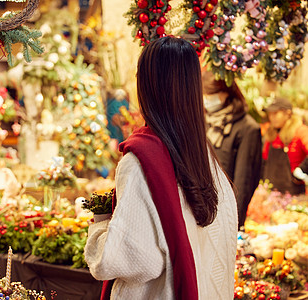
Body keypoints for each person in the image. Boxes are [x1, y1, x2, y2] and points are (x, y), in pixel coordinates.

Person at [84, 37, 238, 300]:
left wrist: (100, 225)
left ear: (145, 86)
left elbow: (124, 260)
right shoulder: (208, 159)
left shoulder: (141, 162)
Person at [202, 71, 262, 229]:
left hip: (225, 216)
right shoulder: (204, 121)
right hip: (201, 213)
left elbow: (244, 183)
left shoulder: (247, 128)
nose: (206, 100)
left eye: (211, 94)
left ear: (226, 93)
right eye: (204, 94)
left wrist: (232, 225)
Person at [262, 97, 308, 195]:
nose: (272, 117)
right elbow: (264, 159)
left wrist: (301, 171)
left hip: (296, 195)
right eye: (270, 114)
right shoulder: (271, 134)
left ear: (287, 113)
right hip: (272, 193)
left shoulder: (300, 131)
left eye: (275, 113)